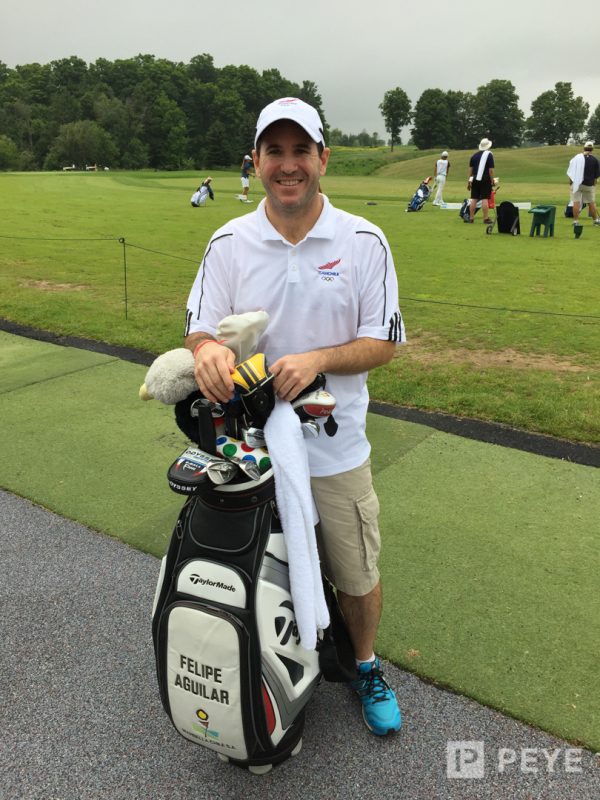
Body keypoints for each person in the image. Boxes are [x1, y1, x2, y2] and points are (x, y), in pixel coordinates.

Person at [184, 97, 405, 737]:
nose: (288, 165)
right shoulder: (229, 241)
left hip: (334, 449)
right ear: (255, 162)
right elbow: (199, 327)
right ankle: (262, 665)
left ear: (322, 159)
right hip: (248, 449)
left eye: (300, 150)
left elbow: (384, 341)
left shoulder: (363, 240)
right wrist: (207, 350)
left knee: (355, 574)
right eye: (274, 151)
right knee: (252, 571)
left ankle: (365, 665)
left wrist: (318, 360)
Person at [567, 141, 600, 226]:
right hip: (589, 185)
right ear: (592, 149)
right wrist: (594, 185)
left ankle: (576, 221)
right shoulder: (595, 160)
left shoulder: (577, 158)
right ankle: (596, 220)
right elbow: (596, 177)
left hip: (577, 184)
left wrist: (571, 182)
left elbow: (571, 171)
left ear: (584, 148)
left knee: (576, 202)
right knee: (591, 203)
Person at [466, 138, 495, 223]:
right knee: (485, 198)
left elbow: (470, 170)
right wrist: (492, 180)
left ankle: (471, 218)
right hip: (485, 179)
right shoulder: (489, 155)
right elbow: (491, 170)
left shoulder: (474, 156)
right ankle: (486, 218)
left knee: (474, 198)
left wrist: (469, 181)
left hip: (474, 179)